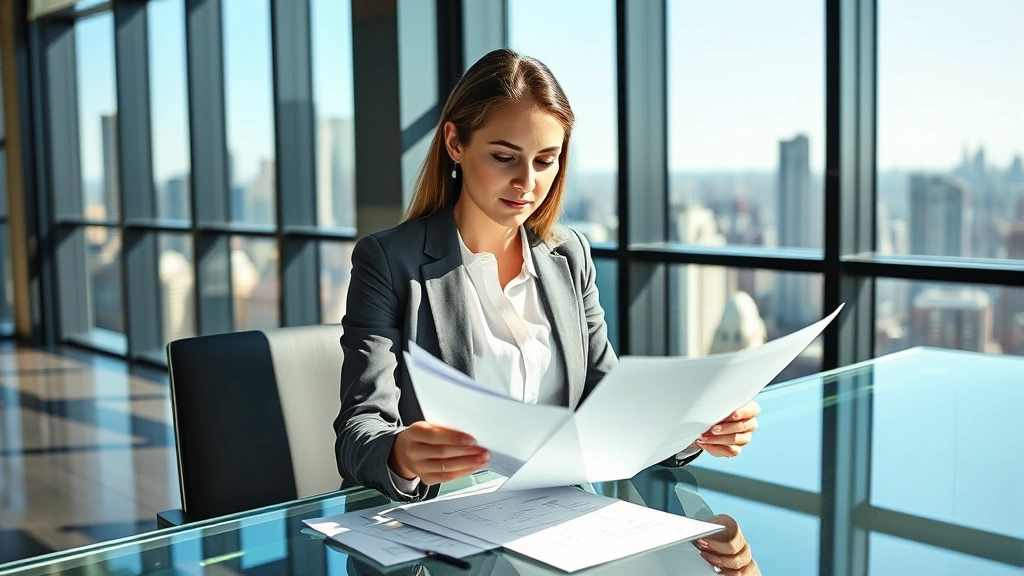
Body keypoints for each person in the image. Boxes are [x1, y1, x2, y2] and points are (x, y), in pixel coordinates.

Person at [334, 48, 760, 503]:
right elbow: (359, 428)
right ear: (455, 143)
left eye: (544, 161)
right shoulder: (387, 261)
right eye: (504, 157)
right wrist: (400, 455)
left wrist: (695, 427)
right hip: (440, 531)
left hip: (556, 518)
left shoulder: (568, 255)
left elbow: (606, 402)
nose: (527, 183)